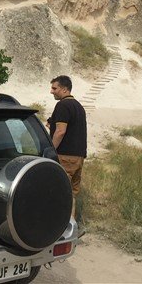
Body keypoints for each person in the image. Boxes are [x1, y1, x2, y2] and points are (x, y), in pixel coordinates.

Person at [47, 75, 86, 221]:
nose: (52, 91)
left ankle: (59, 227)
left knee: (60, 194)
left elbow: (61, 131)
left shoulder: (63, 105)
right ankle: (71, 225)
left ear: (64, 89)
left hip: (66, 157)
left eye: (54, 88)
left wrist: (50, 151)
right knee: (71, 195)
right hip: (78, 157)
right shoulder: (78, 106)